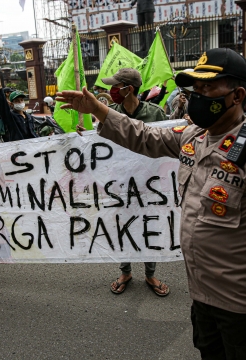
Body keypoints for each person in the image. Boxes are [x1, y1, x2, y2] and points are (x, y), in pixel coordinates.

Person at [61, 48, 246, 358]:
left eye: (208, 88)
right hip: (203, 298)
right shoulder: (192, 137)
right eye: (196, 88)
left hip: (245, 308)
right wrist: (98, 108)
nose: (198, 95)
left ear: (237, 95)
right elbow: (143, 135)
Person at [98, 68, 168, 296]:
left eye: (116, 86)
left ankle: (150, 274)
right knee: (122, 229)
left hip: (150, 186)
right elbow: (101, 143)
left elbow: (168, 143)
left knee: (150, 227)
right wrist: (86, 140)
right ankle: (125, 271)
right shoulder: (109, 113)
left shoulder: (156, 114)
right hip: (120, 185)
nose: (112, 91)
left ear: (129, 90)